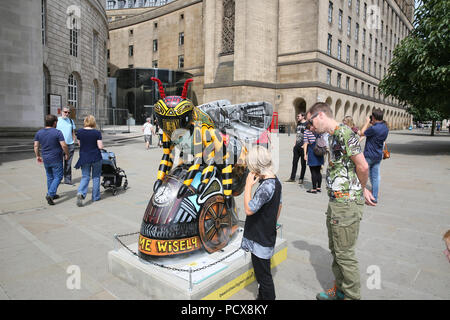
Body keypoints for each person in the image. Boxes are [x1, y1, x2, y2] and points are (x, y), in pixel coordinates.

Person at [305, 102, 375, 301]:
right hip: (336, 203)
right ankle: (340, 290)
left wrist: (361, 188)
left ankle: (352, 296)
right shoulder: (333, 136)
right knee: (336, 249)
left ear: (320, 115)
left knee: (345, 255)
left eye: (311, 122)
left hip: (346, 204)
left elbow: (362, 166)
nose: (310, 127)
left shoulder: (345, 133)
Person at [241, 146, 282, 300]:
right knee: (262, 273)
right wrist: (271, 222)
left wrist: (247, 186)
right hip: (266, 233)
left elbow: (249, 209)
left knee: (264, 277)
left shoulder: (266, 187)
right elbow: (280, 205)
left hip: (260, 239)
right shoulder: (276, 181)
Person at [34, 114, 69, 205]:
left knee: (50, 177)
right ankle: (50, 194)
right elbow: (64, 145)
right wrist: (67, 154)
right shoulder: (57, 132)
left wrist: (37, 155)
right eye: (56, 122)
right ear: (54, 123)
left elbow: (36, 146)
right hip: (56, 158)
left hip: (46, 158)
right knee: (58, 176)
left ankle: (52, 194)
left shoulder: (39, 132)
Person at [359, 108, 389, 203]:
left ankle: (360, 195)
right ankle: (374, 197)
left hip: (369, 155)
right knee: (375, 177)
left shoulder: (374, 128)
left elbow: (361, 133)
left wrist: (367, 122)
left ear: (374, 117)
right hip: (378, 155)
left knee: (361, 175)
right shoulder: (385, 127)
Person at [74, 115, 104, 207]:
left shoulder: (79, 132)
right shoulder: (96, 133)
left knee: (85, 176)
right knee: (96, 176)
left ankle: (81, 193)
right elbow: (100, 146)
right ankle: (95, 197)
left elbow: (79, 143)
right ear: (93, 122)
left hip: (84, 157)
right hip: (95, 157)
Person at [56, 106, 77, 185]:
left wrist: (74, 140)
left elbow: (73, 132)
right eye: (65, 112)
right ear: (61, 112)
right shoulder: (57, 120)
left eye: (68, 112)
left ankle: (67, 180)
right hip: (59, 145)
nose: (67, 114)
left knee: (68, 163)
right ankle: (58, 179)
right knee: (58, 163)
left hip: (70, 145)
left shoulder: (71, 121)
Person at [285, 113, 307, 184]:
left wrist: (305, 145)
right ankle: (292, 178)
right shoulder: (298, 124)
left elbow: (308, 135)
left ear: (303, 116)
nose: (297, 117)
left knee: (303, 163)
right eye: (297, 116)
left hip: (303, 147)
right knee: (294, 162)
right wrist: (295, 143)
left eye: (298, 116)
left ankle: (301, 178)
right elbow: (297, 134)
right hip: (297, 146)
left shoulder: (307, 124)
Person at [303, 123, 324, 193]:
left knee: (314, 171)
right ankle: (318, 187)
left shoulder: (307, 132)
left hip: (312, 152)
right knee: (318, 171)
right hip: (320, 152)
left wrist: (305, 154)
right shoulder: (319, 131)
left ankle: (314, 188)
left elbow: (305, 143)